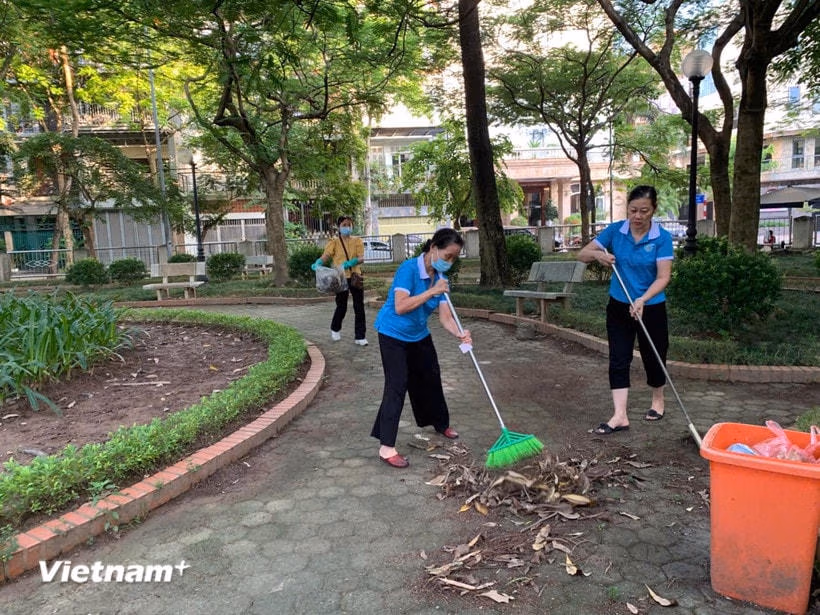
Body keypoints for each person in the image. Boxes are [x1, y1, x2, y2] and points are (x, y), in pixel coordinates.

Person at [370, 228, 472, 468]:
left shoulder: (441, 278)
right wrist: (432, 291)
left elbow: (445, 317)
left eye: (454, 258)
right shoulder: (408, 269)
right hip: (392, 333)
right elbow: (401, 306)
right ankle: (386, 447)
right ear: (433, 248)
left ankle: (440, 423)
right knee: (397, 385)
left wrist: (460, 333)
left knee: (431, 377)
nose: (450, 262)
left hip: (418, 334)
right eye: (447, 256)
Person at [577, 185, 674, 435]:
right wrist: (598, 256)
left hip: (651, 305)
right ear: (627, 209)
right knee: (619, 357)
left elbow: (663, 277)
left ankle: (658, 400)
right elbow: (582, 254)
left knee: (654, 355)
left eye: (644, 211)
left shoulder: (661, 238)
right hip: (619, 304)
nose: (637, 216)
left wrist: (643, 299)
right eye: (633, 210)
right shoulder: (616, 231)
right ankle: (620, 415)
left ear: (653, 210)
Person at [311, 216, 368, 345]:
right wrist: (318, 263)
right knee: (342, 306)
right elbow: (326, 256)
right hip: (340, 278)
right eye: (344, 225)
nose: (347, 227)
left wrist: (351, 263)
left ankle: (360, 336)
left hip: (355, 276)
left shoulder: (357, 241)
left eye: (349, 225)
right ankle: (335, 328)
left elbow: (361, 258)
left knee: (359, 307)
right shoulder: (334, 242)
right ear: (339, 227)